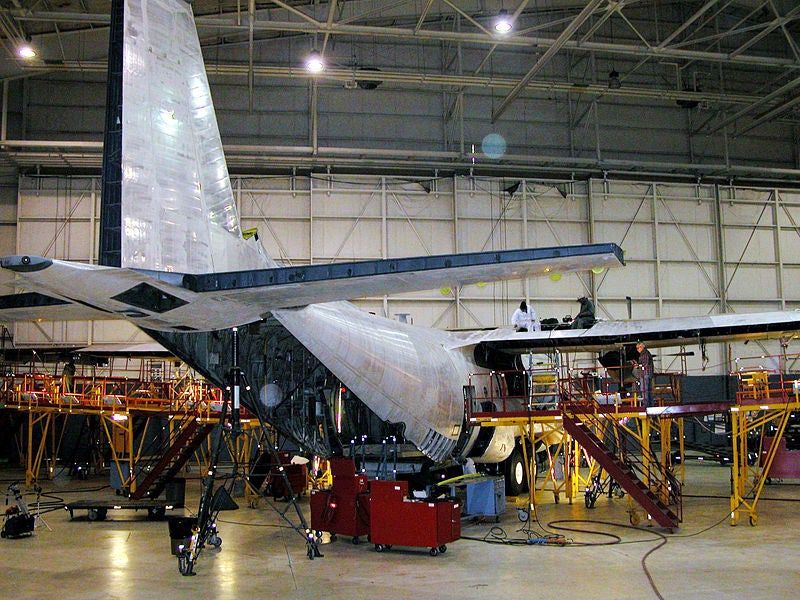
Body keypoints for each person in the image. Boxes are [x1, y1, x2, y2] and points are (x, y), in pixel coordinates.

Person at [633, 342, 654, 407]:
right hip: (647, 374)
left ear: (642, 347)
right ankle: (650, 405)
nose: (637, 349)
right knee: (648, 391)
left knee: (644, 390)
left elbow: (645, 364)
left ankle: (646, 406)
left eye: (638, 348)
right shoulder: (646, 353)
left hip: (645, 374)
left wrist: (638, 365)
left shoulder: (644, 354)